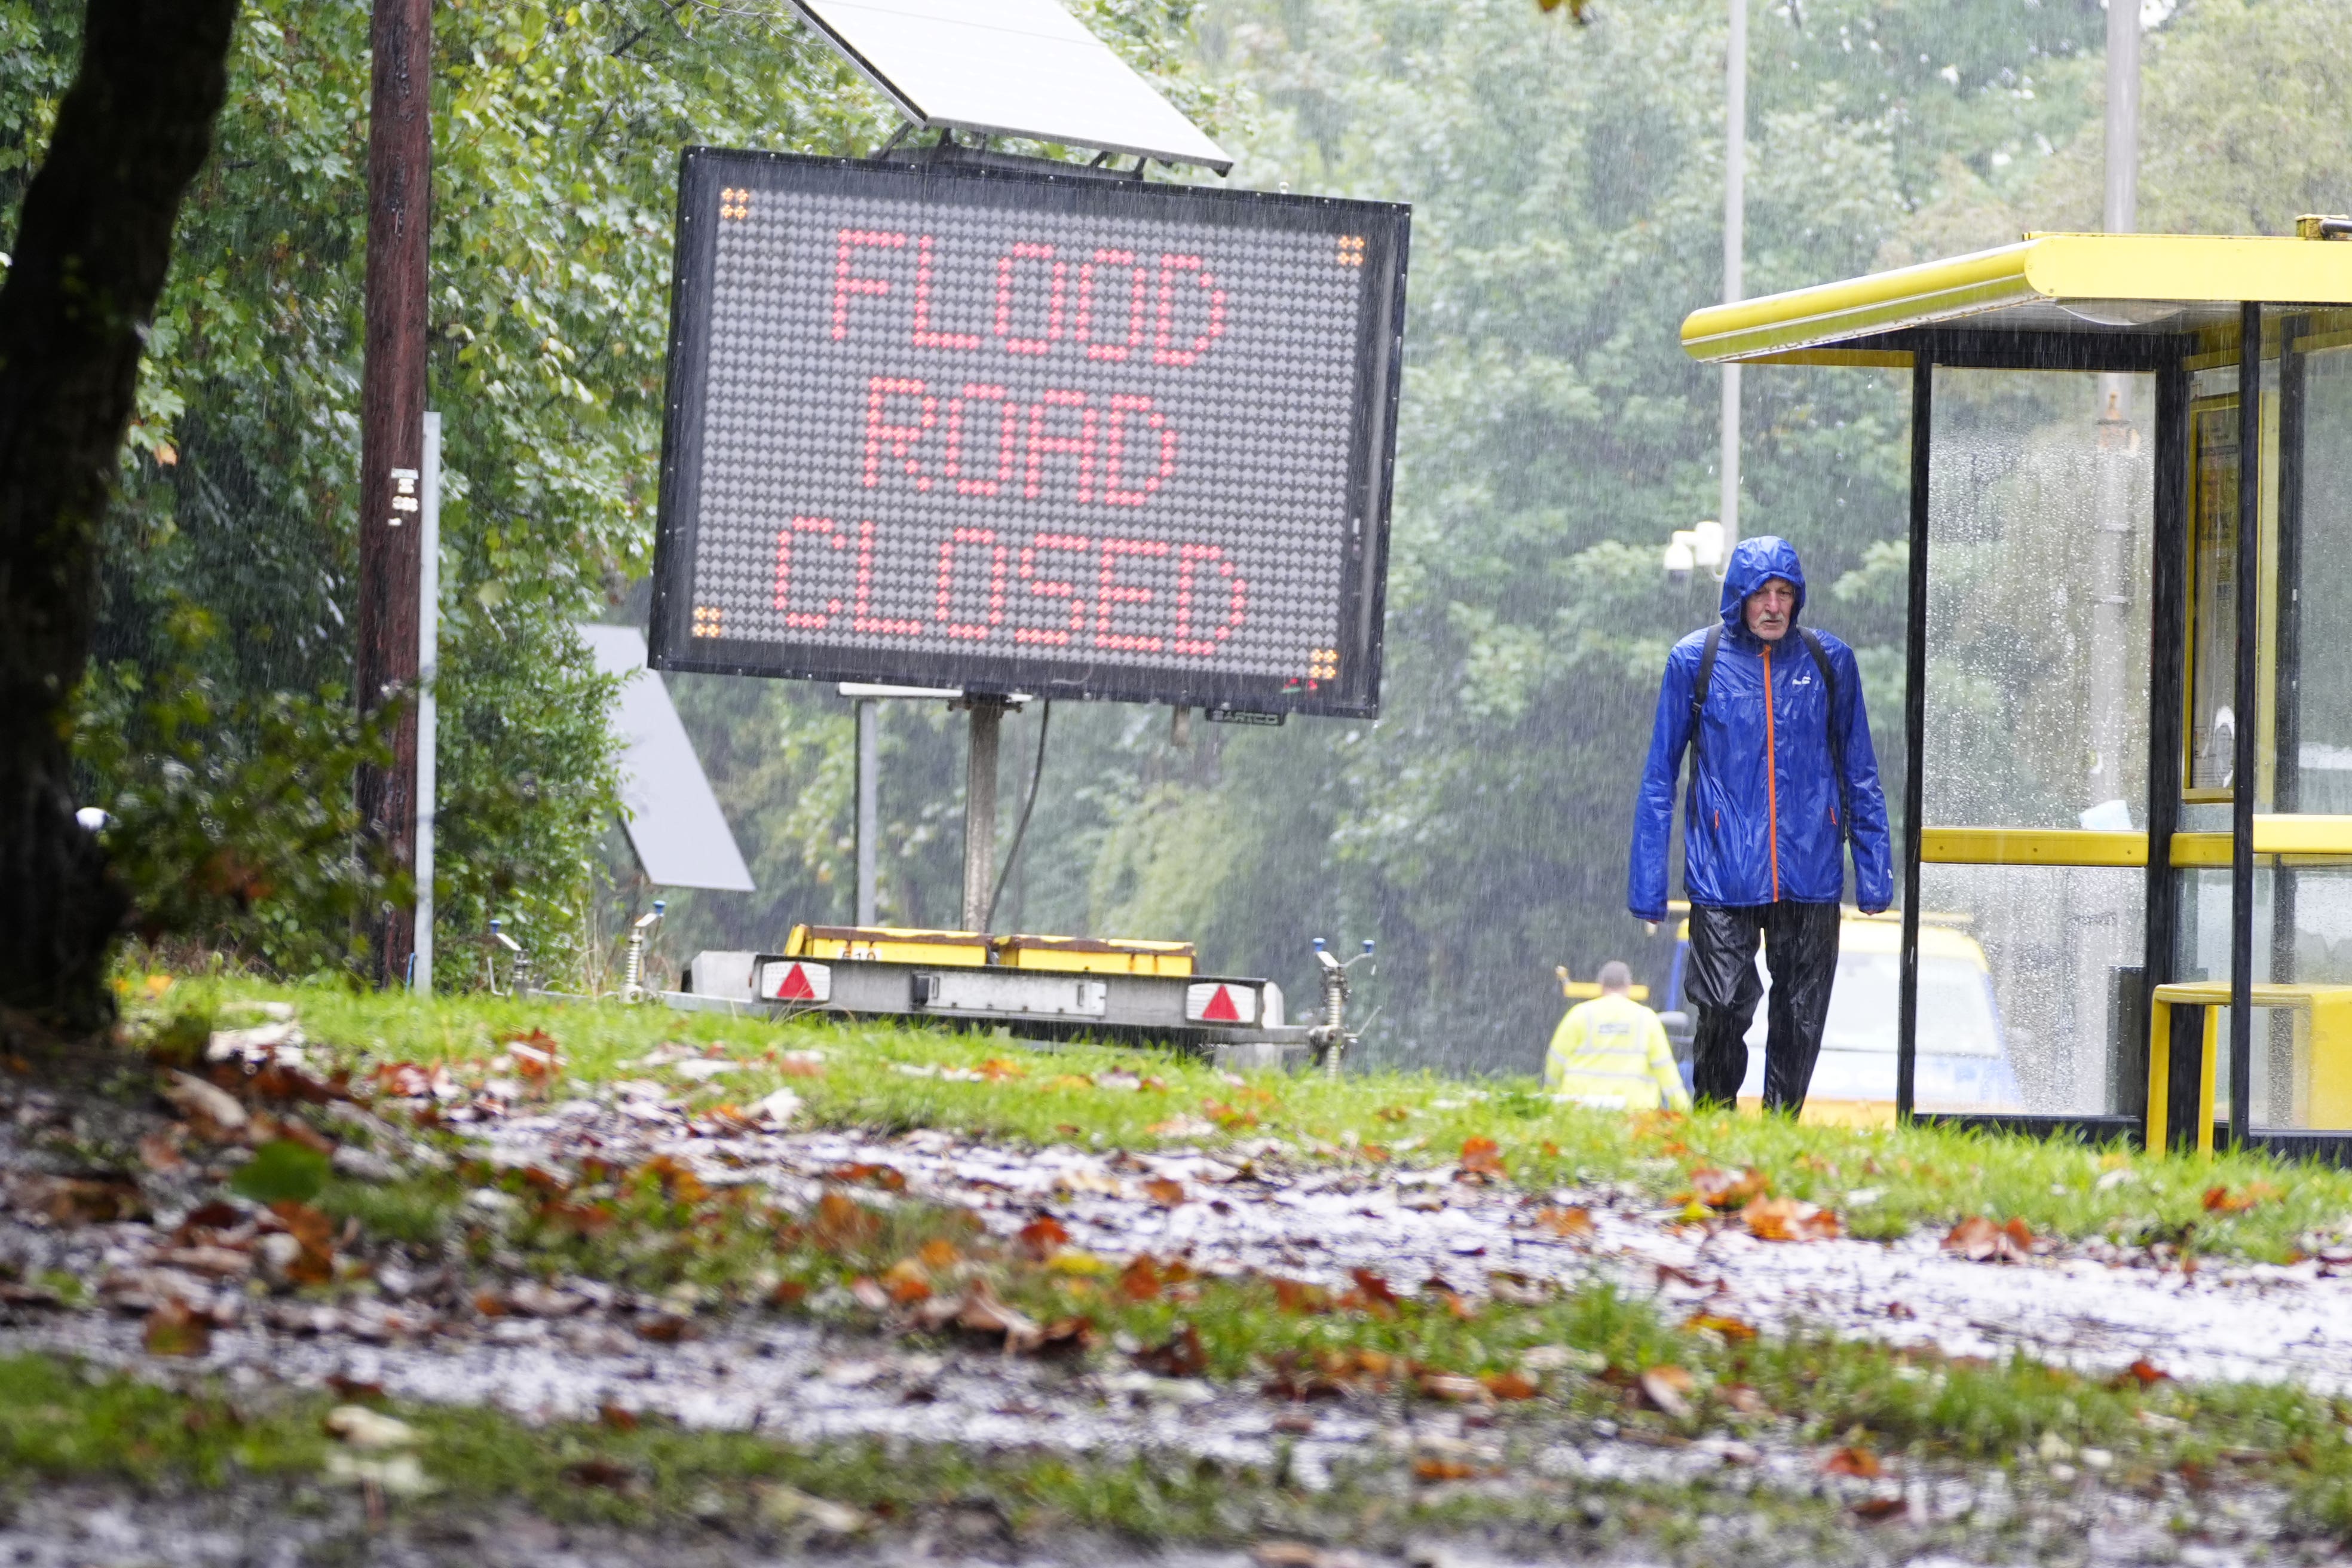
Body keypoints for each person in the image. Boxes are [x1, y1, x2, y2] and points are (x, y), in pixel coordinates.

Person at [1627, 535, 1891, 1113]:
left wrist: (1873, 874)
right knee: (1721, 1005)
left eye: (1785, 593)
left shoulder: (1830, 662)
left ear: (1798, 599)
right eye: (1761, 594)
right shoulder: (1695, 662)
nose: (1774, 606)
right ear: (1738, 599)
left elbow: (1859, 771)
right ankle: (1714, 1119)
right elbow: (1658, 780)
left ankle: (1778, 1133)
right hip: (1723, 873)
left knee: (1800, 1017)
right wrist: (1648, 885)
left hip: (1812, 870)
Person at [1545, 960, 1692, 1111]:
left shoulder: (1579, 1015)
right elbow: (1665, 1069)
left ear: (1601, 984)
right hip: (1633, 1114)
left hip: (1581, 1111)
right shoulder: (1646, 1019)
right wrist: (1683, 1109)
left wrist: (1550, 1097)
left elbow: (1556, 1061)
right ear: (1629, 985)